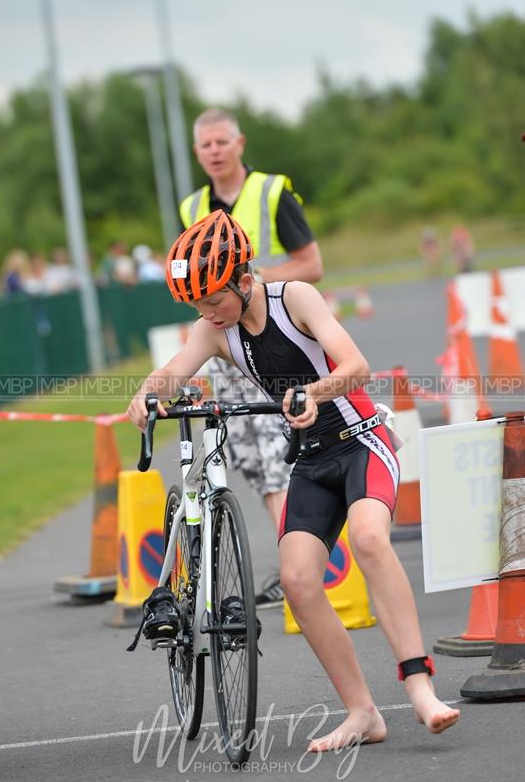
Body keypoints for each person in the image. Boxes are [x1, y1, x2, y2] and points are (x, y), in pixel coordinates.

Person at [127, 211, 460, 751]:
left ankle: (420, 686)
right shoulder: (214, 331)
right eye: (197, 306)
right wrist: (145, 393)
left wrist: (317, 392)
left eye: (213, 300)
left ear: (242, 278)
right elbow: (172, 371)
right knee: (300, 585)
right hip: (309, 460)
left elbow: (356, 365)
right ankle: (362, 713)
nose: (206, 314)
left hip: (362, 442)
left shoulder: (294, 298)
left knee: (370, 538)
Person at [179, 107, 323, 608]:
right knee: (256, 464)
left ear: (239, 142)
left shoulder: (271, 190)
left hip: (277, 333)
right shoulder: (191, 205)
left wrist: (250, 280)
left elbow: (312, 263)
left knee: (282, 453)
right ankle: (295, 567)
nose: (215, 151)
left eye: (222, 141)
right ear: (196, 152)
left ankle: (303, 568)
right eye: (205, 145)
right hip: (225, 350)